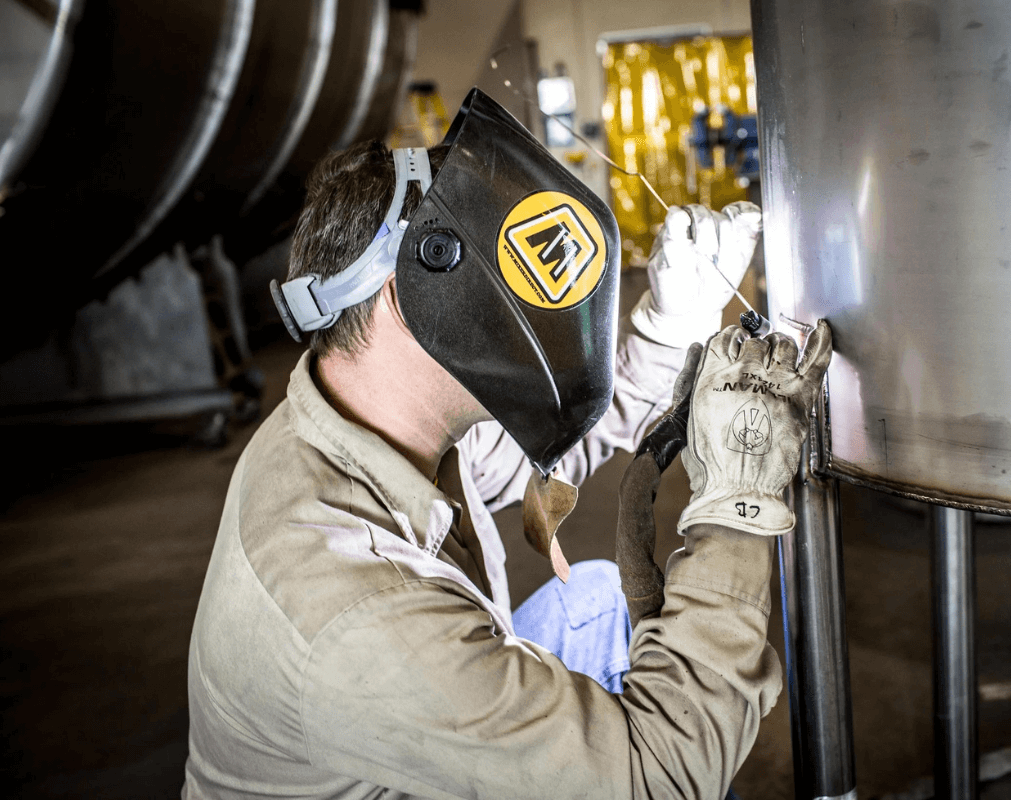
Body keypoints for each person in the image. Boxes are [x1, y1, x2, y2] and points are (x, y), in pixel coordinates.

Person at [183, 88, 832, 799]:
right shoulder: (354, 604)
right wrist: (736, 509)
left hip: (394, 699)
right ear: (417, 291)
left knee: (592, 601)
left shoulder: (372, 424)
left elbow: (543, 454)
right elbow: (658, 778)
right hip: (387, 691)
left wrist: (667, 330)